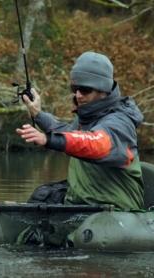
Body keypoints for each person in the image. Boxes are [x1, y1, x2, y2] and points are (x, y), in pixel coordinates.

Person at [16, 51, 145, 211]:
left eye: (84, 90)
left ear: (103, 91)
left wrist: (48, 140)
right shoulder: (86, 117)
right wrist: (38, 114)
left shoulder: (119, 121)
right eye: (75, 88)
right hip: (79, 208)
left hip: (116, 212)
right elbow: (69, 133)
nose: (78, 95)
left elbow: (98, 144)